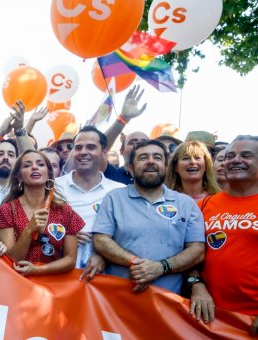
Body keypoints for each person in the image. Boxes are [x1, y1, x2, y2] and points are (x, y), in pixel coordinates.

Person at [92, 140, 205, 294]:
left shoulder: (186, 203)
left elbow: (197, 250)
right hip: (117, 302)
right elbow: (100, 240)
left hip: (168, 304)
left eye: (157, 157)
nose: (151, 161)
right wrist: (137, 264)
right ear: (130, 168)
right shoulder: (113, 198)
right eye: (143, 158)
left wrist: (160, 267)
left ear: (166, 167)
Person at [189, 135, 258, 335]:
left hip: (252, 322)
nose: (235, 160)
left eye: (246, 155)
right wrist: (196, 285)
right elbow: (190, 254)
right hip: (208, 318)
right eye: (230, 156)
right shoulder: (203, 205)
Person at [0, 150, 84, 276]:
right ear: (19, 176)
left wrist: (37, 270)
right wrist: (29, 229)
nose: (34, 167)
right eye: (27, 165)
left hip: (53, 287)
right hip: (17, 283)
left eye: (40, 164)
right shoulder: (7, 210)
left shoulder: (65, 211)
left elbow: (70, 260)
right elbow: (10, 259)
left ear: (48, 174)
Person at [55, 127, 125, 276]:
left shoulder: (119, 191)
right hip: (58, 274)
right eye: (78, 147)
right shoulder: (54, 186)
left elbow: (129, 234)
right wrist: (64, 233)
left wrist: (105, 256)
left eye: (91, 147)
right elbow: (36, 225)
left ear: (104, 152)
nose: (83, 152)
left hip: (104, 278)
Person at [102, 85, 149, 185]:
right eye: (133, 142)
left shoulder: (161, 175)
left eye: (144, 142)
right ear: (121, 151)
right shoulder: (111, 174)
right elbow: (99, 148)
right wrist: (123, 118)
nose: (138, 145)